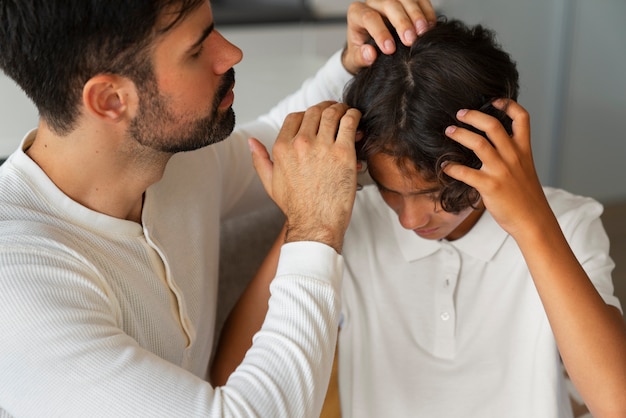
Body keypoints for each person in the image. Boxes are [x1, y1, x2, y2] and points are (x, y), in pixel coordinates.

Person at [0, 0, 439, 416]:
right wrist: (315, 230)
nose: (231, 53)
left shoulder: (169, 159)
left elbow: (272, 143)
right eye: (197, 48)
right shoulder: (19, 288)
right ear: (111, 100)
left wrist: (353, 59)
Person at [211, 18, 626, 418]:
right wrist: (309, 215)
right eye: (390, 191)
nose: (410, 220)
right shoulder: (350, 224)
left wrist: (531, 223)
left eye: (436, 195)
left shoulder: (567, 222)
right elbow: (231, 376)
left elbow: (616, 403)